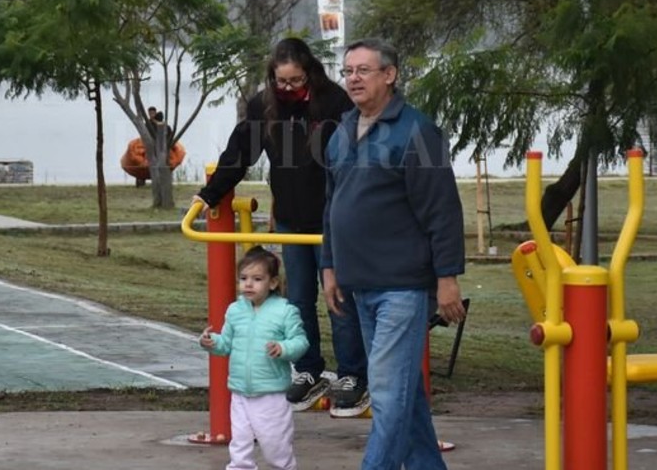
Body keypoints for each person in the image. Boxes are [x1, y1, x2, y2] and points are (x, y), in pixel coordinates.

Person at [195, 37, 369, 415]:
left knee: (337, 297)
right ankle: (308, 370)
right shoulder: (263, 105)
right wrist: (210, 194)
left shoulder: (334, 103)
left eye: (295, 81)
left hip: (331, 218)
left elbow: (357, 159)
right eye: (281, 82)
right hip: (291, 217)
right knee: (298, 300)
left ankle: (354, 373)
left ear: (309, 72)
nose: (288, 89)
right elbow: (239, 153)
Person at [322, 38, 466, 470]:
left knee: (386, 393)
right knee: (404, 393)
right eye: (348, 71)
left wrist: (447, 278)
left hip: (402, 287)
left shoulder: (417, 131)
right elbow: (332, 205)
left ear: (390, 75)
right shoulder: (343, 129)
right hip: (356, 284)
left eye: (363, 70)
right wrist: (329, 266)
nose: (353, 78)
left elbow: (443, 210)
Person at [199, 246, 308, 470]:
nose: (248, 284)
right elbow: (226, 343)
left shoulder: (285, 311)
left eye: (257, 279)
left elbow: (301, 342)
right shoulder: (235, 310)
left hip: (272, 395)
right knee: (239, 445)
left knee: (275, 446)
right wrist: (212, 342)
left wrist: (283, 348)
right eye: (243, 278)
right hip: (240, 392)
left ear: (273, 283)